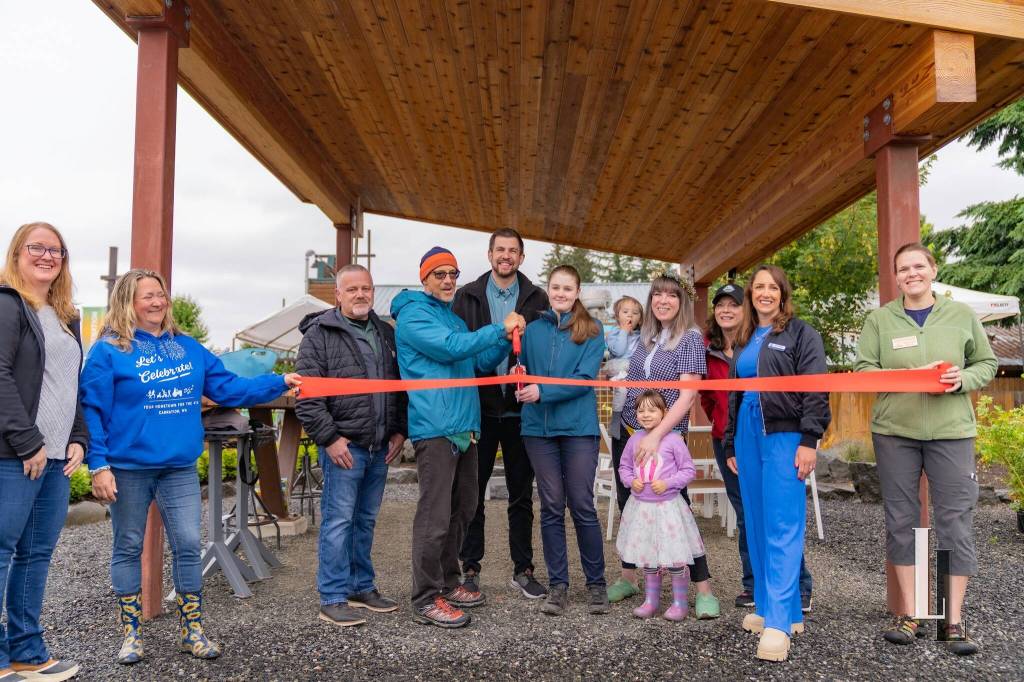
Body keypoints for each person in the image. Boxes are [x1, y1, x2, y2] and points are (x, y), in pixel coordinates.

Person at [80, 269, 301, 665]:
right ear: (127, 302)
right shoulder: (108, 351)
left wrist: (279, 382)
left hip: (179, 467)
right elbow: (92, 412)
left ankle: (192, 631)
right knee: (128, 546)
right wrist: (99, 465)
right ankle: (131, 634)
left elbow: (229, 387)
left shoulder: (188, 347)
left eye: (160, 294)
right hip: (128, 468)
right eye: (146, 295)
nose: (157, 302)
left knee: (186, 544)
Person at [854, 242, 996, 656]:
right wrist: (906, 375)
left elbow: (984, 364)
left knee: (955, 521)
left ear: (933, 270)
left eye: (918, 266)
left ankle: (952, 620)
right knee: (902, 520)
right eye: (903, 268)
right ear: (896, 276)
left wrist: (962, 379)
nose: (911, 273)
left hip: (952, 432)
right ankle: (912, 613)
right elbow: (864, 371)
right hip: (895, 432)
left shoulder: (961, 316)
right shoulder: (880, 320)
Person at [391, 247, 524, 628]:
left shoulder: (450, 317)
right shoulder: (414, 314)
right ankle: (425, 597)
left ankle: (448, 582)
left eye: (453, 274)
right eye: (440, 274)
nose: (448, 280)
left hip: (466, 427)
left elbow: (477, 362)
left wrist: (505, 338)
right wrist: (499, 327)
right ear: (424, 278)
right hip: (435, 428)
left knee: (463, 510)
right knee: (434, 517)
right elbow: (450, 348)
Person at [723, 264, 830, 662]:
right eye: (758, 288)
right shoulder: (746, 337)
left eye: (772, 287)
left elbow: (816, 389)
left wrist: (809, 440)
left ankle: (781, 626)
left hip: (785, 435)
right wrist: (731, 441)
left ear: (783, 293)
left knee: (783, 523)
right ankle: (771, 608)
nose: (764, 293)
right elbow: (736, 393)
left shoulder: (802, 334)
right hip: (748, 435)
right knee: (756, 519)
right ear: (751, 294)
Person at [295, 264, 408, 628]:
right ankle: (332, 595)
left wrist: (398, 431)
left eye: (367, 289)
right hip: (345, 446)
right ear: (338, 295)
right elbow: (307, 396)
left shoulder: (386, 333)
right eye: (353, 289)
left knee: (366, 520)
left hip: (379, 446)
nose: (361, 295)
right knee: (338, 522)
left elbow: (400, 388)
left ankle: (362, 586)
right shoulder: (319, 335)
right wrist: (329, 439)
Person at [0, 223, 87, 682]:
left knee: (36, 554)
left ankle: (27, 652)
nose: (47, 256)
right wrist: (27, 441)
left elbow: (69, 386)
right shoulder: (7, 304)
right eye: (37, 247)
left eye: (56, 250)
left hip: (56, 458)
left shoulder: (65, 315)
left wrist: (78, 438)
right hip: (14, 455)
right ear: (17, 253)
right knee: (0, 550)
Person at [606, 273, 720, 620]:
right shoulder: (646, 337)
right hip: (629, 430)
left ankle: (703, 589)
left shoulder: (690, 338)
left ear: (682, 301)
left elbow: (686, 397)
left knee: (678, 510)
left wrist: (656, 436)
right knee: (631, 506)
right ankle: (629, 577)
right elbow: (634, 375)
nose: (664, 300)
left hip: (665, 437)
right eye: (658, 295)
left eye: (671, 295)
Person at [701, 283, 814, 611]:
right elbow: (715, 397)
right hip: (732, 439)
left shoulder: (778, 338)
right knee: (747, 514)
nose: (726, 310)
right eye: (720, 305)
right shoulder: (717, 349)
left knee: (777, 514)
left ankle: (796, 588)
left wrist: (808, 438)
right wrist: (726, 428)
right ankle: (756, 587)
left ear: (744, 308)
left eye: (733, 305)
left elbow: (809, 388)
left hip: (774, 434)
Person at [453, 228, 548, 601]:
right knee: (471, 493)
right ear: (490, 254)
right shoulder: (468, 296)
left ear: (521, 258)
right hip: (478, 408)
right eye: (500, 250)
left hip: (520, 409)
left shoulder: (537, 298)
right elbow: (460, 349)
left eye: (513, 251)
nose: (506, 256)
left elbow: (542, 347)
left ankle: (522, 569)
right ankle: (470, 567)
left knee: (521, 494)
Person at [516, 265, 608, 616]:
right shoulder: (532, 329)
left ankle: (596, 583)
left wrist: (543, 392)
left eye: (567, 288)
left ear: (577, 291)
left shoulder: (591, 329)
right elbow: (520, 365)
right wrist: (518, 374)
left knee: (582, 504)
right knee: (551, 505)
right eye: (555, 287)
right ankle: (558, 585)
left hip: (578, 429)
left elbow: (585, 379)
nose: (560, 293)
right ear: (548, 289)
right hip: (537, 430)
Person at [616, 390, 705, 621]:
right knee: (648, 554)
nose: (645, 414)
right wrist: (629, 481)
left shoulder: (674, 440)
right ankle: (651, 600)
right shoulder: (634, 439)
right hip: (642, 509)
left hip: (668, 509)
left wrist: (667, 483)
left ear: (664, 413)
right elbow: (624, 467)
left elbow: (688, 470)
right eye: (641, 410)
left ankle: (679, 602)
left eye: (652, 410)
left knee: (675, 555)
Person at [605, 296, 642, 360]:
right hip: (618, 367)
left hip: (635, 368)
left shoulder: (640, 335)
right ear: (617, 317)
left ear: (640, 320)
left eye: (635, 313)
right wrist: (624, 331)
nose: (630, 315)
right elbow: (619, 352)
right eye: (625, 312)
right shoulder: (614, 333)